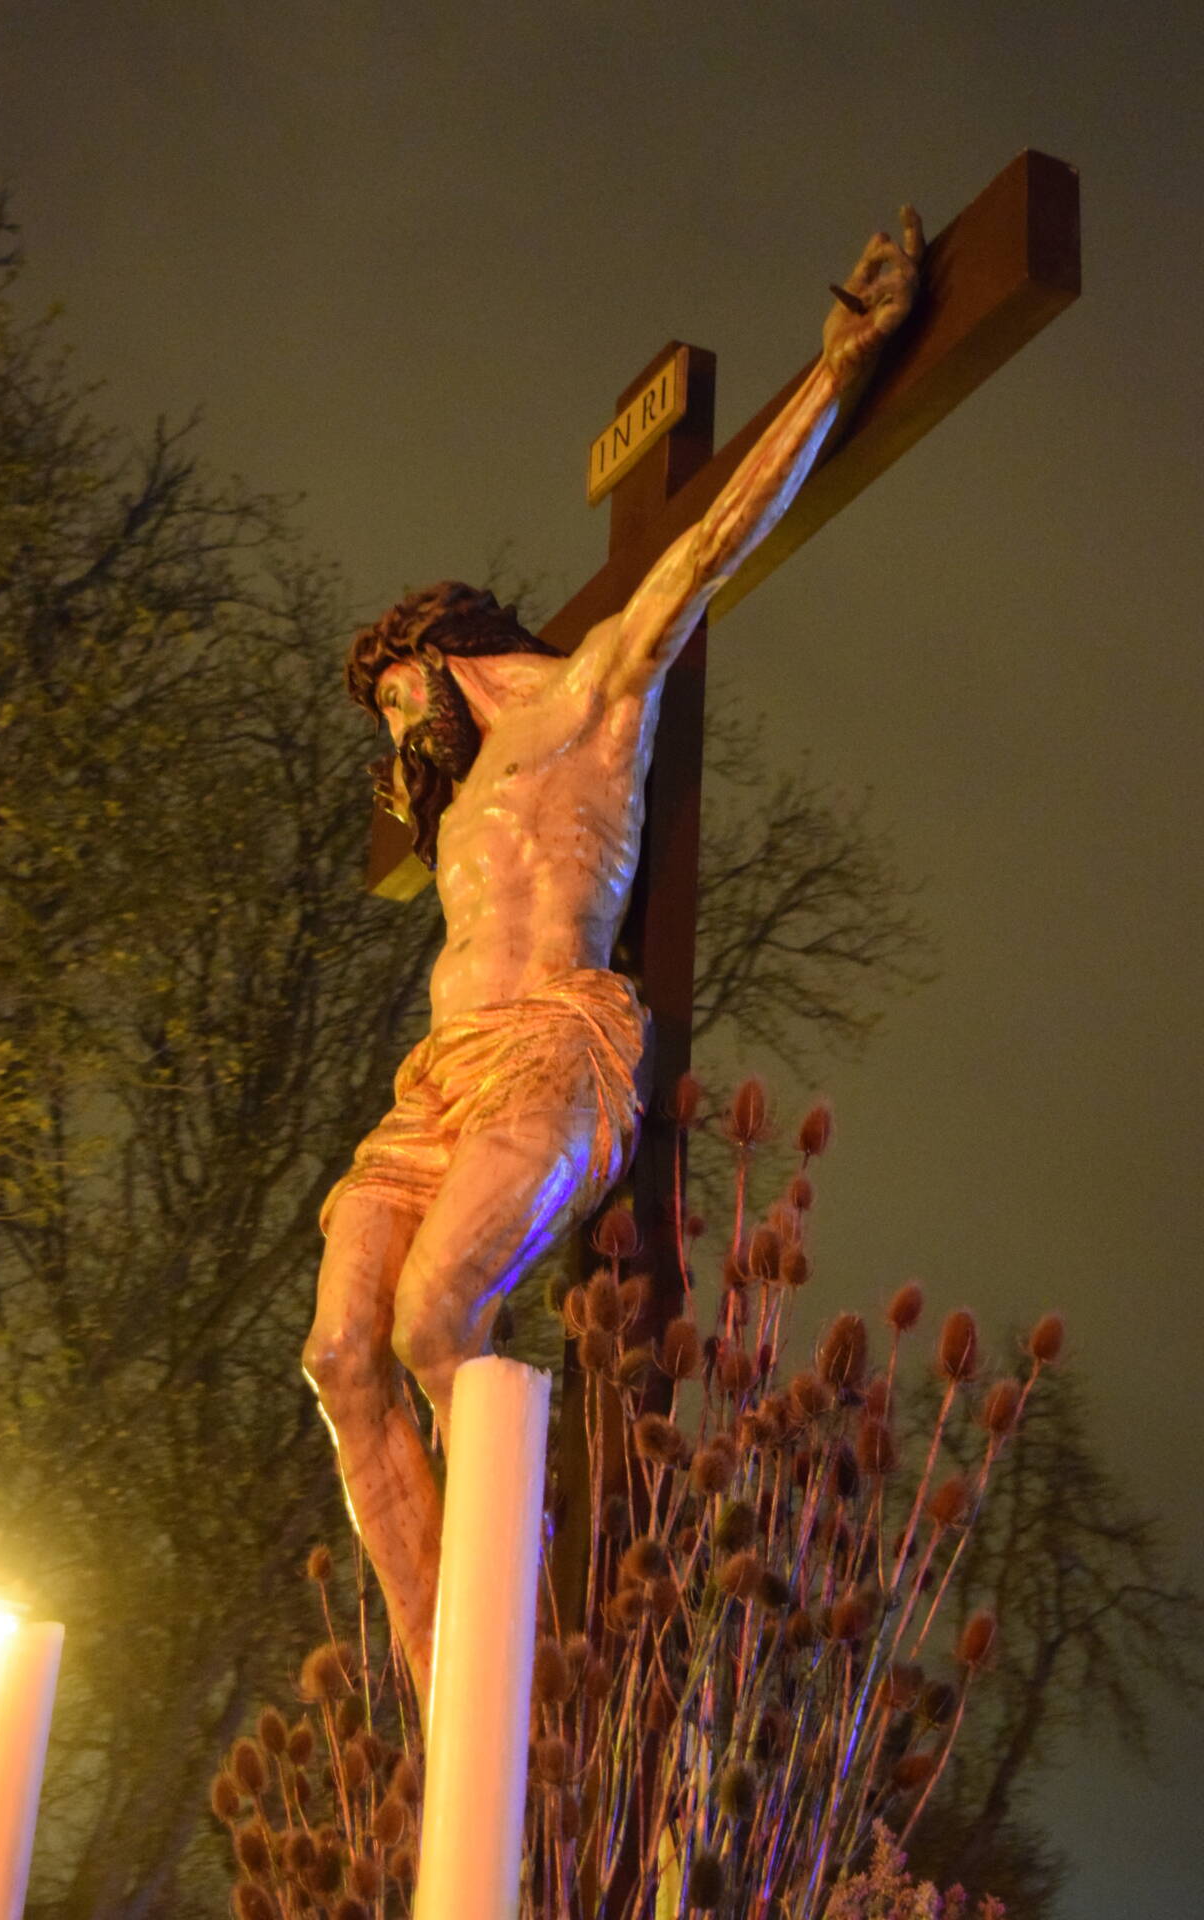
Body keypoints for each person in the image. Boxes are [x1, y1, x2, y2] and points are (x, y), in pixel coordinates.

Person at [303, 210, 924, 1703]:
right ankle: (444, 1681)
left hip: (550, 1051)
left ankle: (507, 1646)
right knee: (340, 1352)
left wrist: (837, 368)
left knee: (439, 1316)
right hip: (434, 1083)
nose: (396, 737)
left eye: (396, 701)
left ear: (445, 657)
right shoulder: (451, 801)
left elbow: (704, 545)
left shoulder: (591, 698)